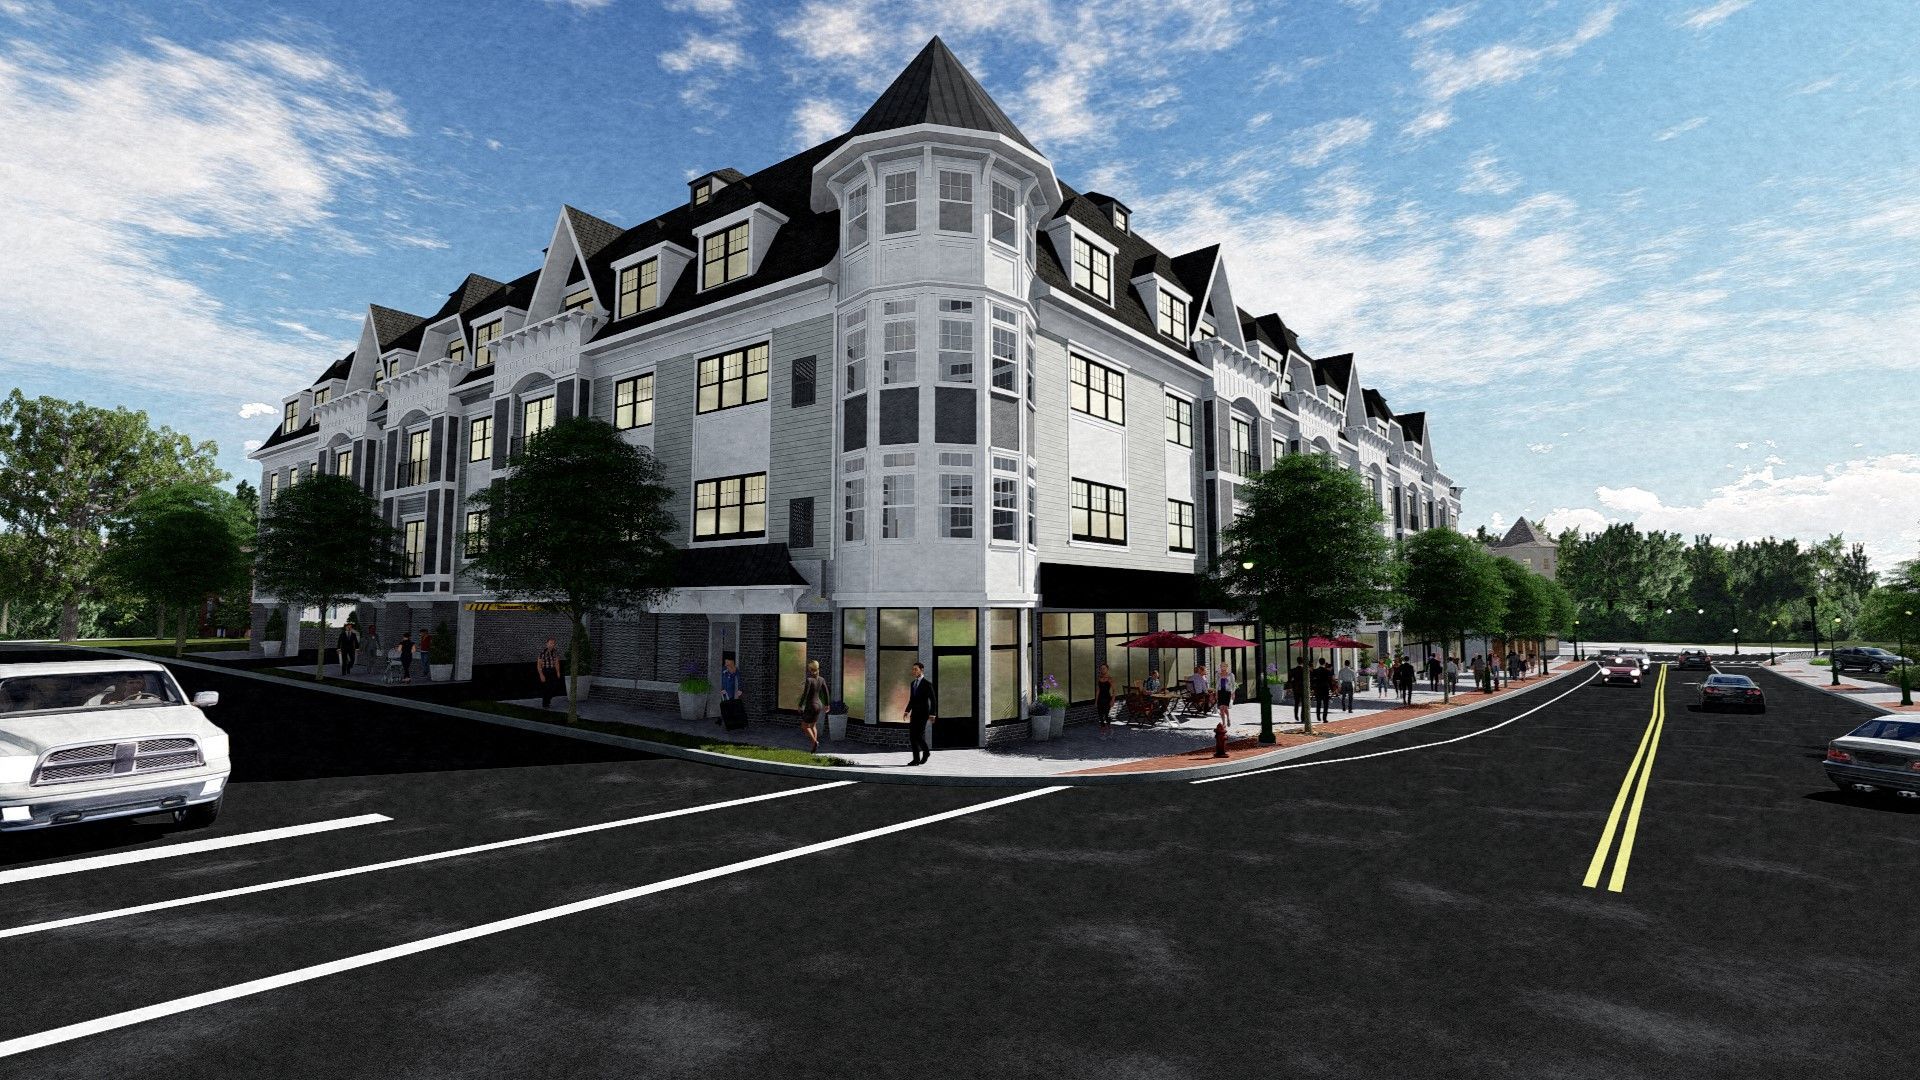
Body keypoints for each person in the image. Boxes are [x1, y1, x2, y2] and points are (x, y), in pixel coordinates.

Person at [902, 661, 936, 766]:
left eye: (916, 669)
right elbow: (912, 699)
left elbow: (933, 700)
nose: (914, 671)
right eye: (913, 669)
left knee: (919, 736)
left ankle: (926, 752)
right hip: (914, 714)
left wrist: (932, 714)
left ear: (922, 670)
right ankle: (916, 760)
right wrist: (907, 710)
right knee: (912, 737)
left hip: (923, 714)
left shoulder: (927, 684)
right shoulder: (913, 683)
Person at [798, 659, 828, 754]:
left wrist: (800, 705)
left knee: (804, 726)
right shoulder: (821, 679)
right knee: (813, 725)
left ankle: (815, 742)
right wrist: (827, 704)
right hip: (818, 705)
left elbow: (805, 694)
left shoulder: (809, 680)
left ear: (810, 669)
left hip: (811, 705)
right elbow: (826, 692)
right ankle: (814, 747)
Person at [535, 637, 562, 708]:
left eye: (553, 643)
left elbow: (556, 663)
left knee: (554, 687)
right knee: (546, 688)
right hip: (545, 671)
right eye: (550, 643)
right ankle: (545, 704)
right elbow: (539, 665)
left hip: (553, 671)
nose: (552, 645)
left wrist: (558, 672)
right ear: (547, 644)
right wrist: (541, 675)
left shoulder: (555, 652)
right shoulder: (542, 653)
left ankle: (548, 700)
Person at [718, 655, 742, 726]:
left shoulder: (735, 670)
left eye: (727, 662)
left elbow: (739, 680)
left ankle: (726, 719)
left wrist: (740, 689)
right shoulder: (723, 669)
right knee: (725, 705)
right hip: (724, 691)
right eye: (725, 662)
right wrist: (722, 689)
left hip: (731, 691)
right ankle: (725, 719)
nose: (726, 664)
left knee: (729, 705)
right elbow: (720, 680)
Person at [1095, 663, 1115, 736]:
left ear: (1107, 669)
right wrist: (1096, 701)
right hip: (1100, 699)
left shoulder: (1110, 678)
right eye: (1101, 668)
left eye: (1104, 668)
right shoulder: (1099, 678)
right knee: (1100, 715)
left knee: (1106, 715)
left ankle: (1109, 728)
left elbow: (1114, 690)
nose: (1102, 670)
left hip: (1107, 699)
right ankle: (1103, 729)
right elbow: (1098, 690)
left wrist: (1113, 700)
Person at [1310, 659, 1332, 723]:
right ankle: (1324, 718)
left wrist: (1312, 688)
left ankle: (1318, 716)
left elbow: (1312, 680)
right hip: (1325, 689)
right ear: (1324, 663)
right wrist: (1332, 689)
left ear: (1319, 662)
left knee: (1318, 703)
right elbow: (1329, 681)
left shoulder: (1315, 671)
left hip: (1318, 689)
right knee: (1325, 704)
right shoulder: (1327, 671)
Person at [1286, 659, 1307, 724]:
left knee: (1296, 703)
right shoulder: (1305, 670)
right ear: (1303, 662)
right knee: (1304, 704)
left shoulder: (1293, 670)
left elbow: (1289, 679)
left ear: (1297, 662)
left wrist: (1290, 686)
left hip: (1296, 688)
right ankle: (1303, 718)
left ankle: (1296, 715)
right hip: (1303, 688)